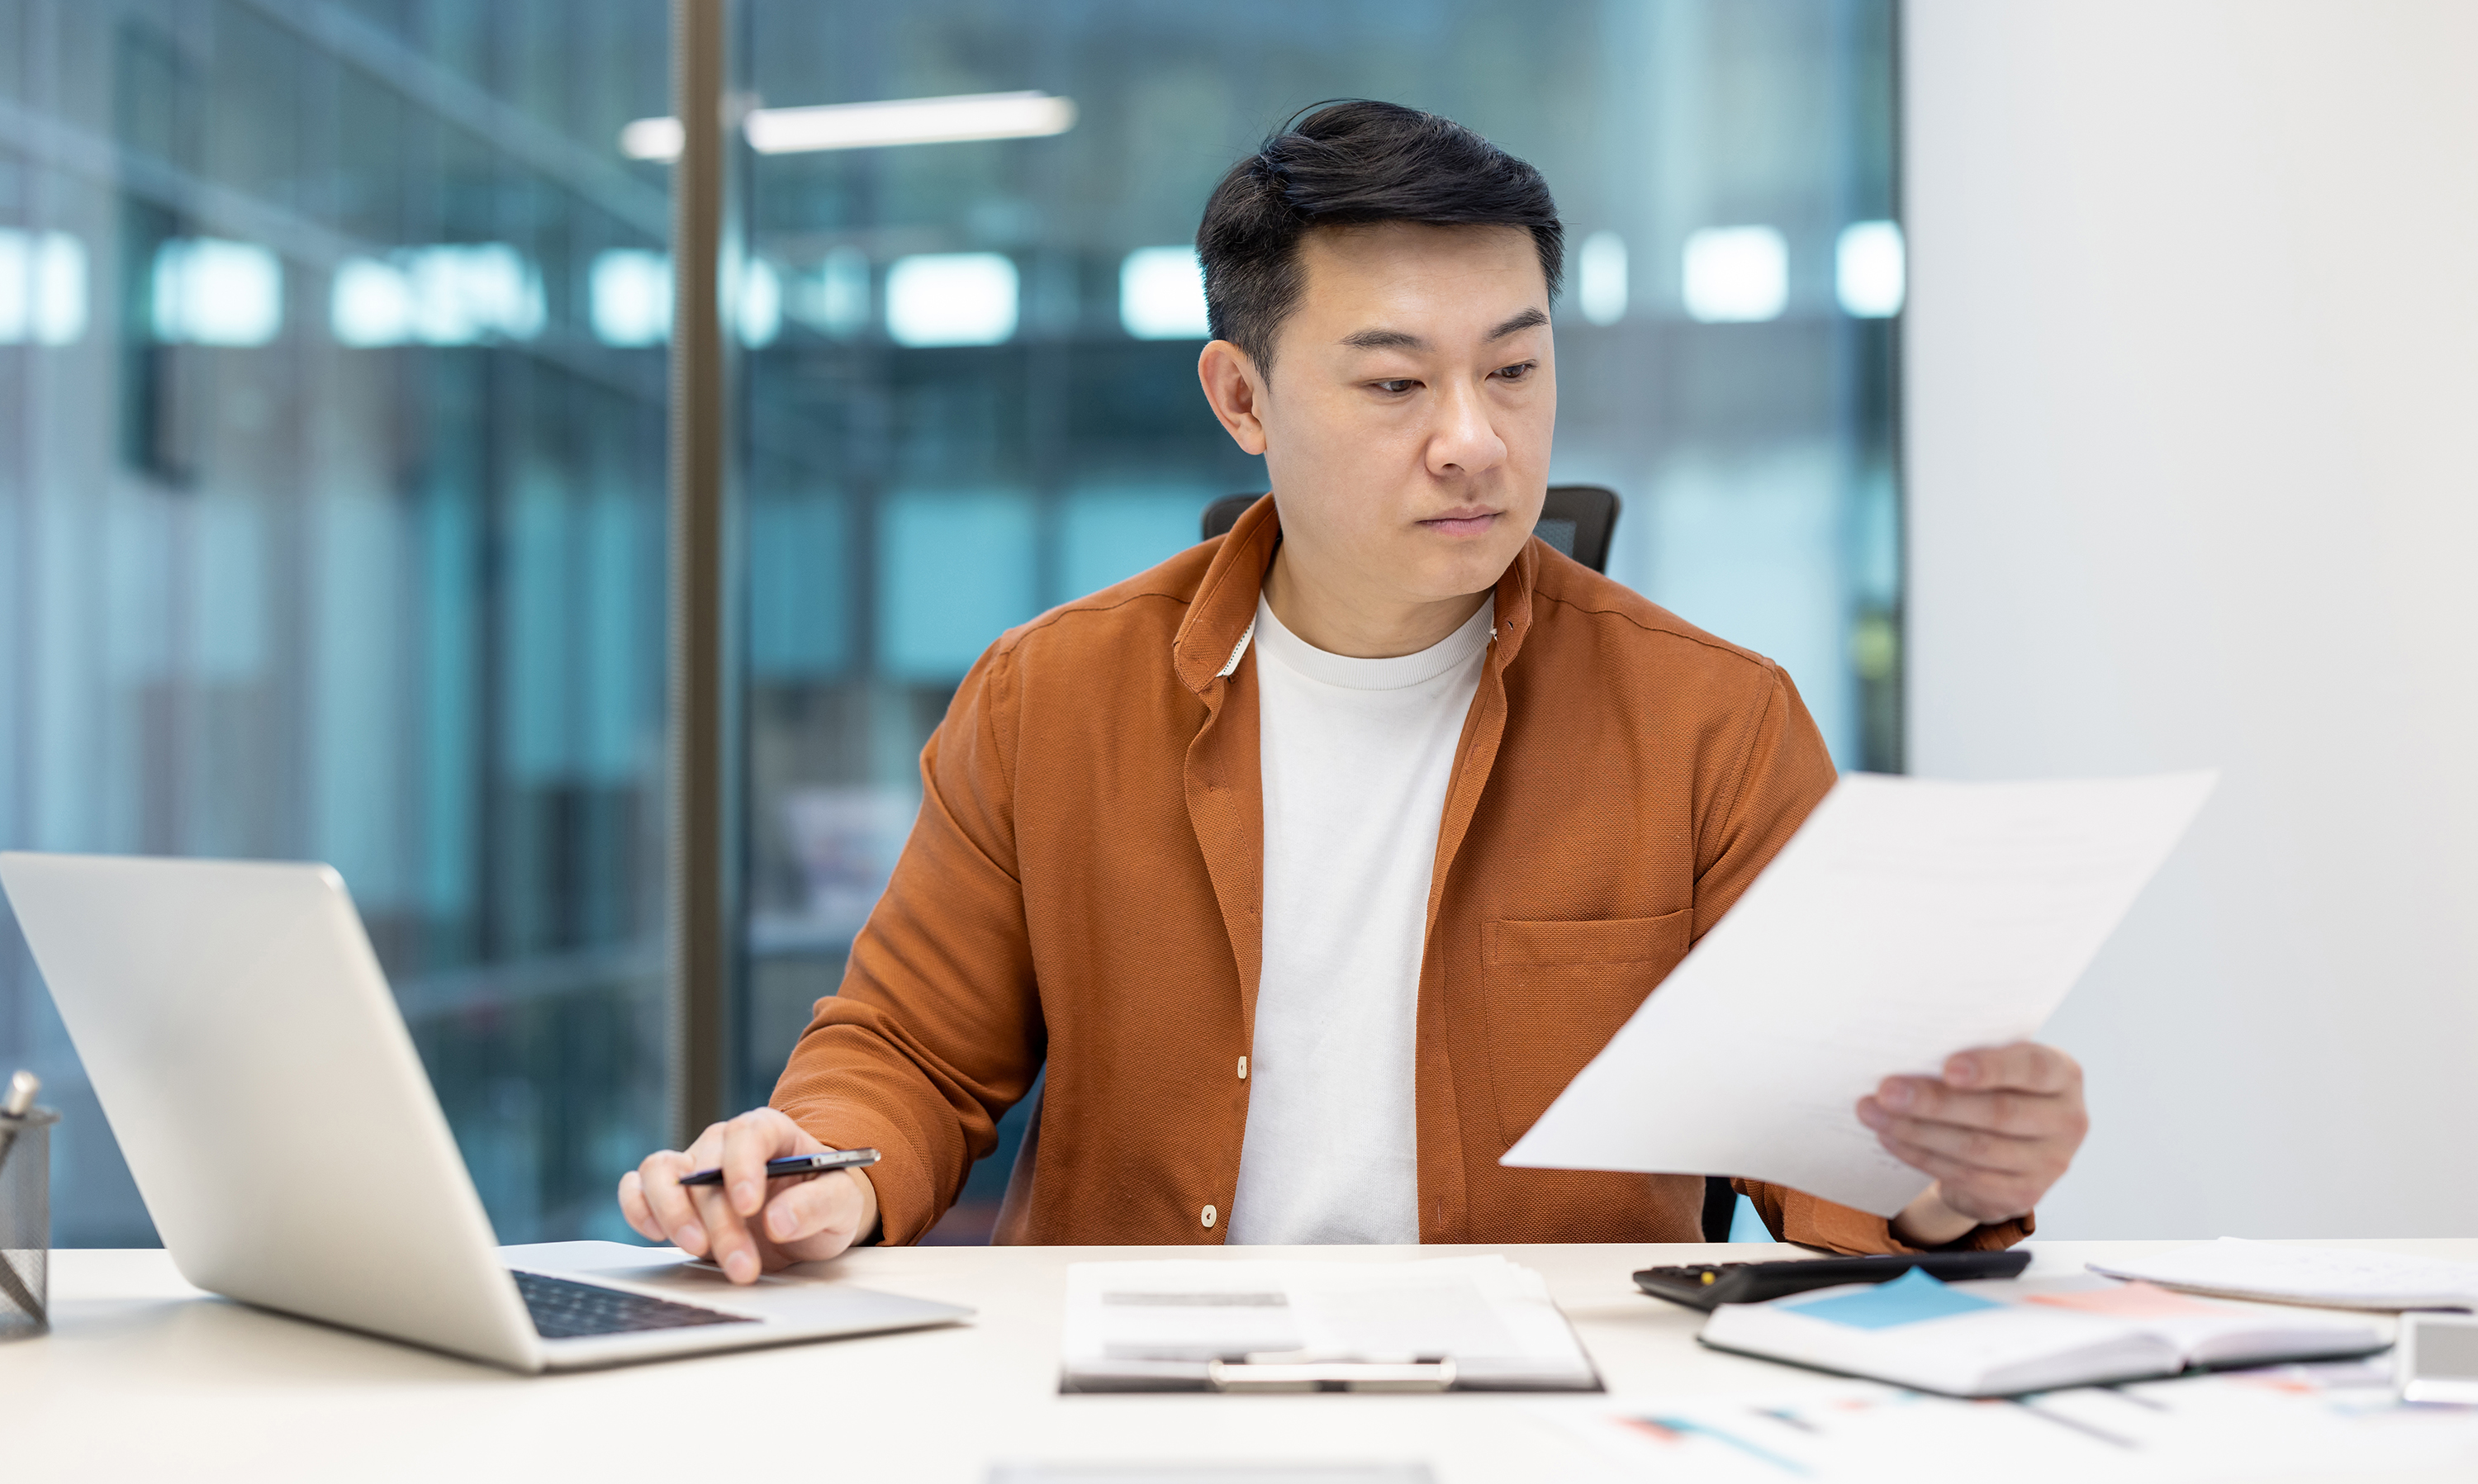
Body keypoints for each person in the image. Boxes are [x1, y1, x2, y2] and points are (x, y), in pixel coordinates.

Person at [620, 101, 2089, 1282]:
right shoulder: (1047, 697)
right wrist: (812, 1169)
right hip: (1140, 1399)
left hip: (1554, 1419)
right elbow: (911, 1054)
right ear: (1241, 398)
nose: (1474, 440)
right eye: (1395, 385)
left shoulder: (1715, 720)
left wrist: (1948, 1183)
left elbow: (1827, 1152)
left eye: (1514, 370)